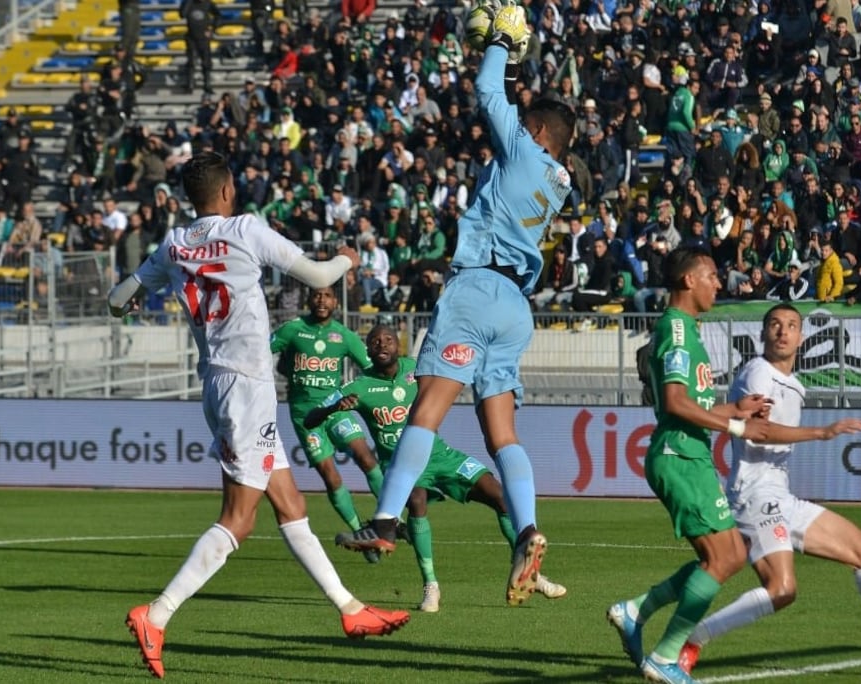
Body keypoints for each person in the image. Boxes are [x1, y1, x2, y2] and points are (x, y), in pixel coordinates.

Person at [107, 152, 407, 679]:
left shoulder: (174, 245)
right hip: (245, 386)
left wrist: (134, 299)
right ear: (226, 192)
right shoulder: (245, 229)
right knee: (237, 520)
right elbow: (317, 273)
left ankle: (351, 611)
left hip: (221, 383)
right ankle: (156, 614)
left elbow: (117, 299)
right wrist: (346, 262)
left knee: (290, 505)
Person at [334, 5, 576, 608]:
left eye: (527, 124)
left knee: (427, 411)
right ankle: (526, 529)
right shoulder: (559, 179)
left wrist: (500, 43)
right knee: (502, 434)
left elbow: (486, 89)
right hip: (515, 306)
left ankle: (385, 522)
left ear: (538, 133)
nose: (518, 127)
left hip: (474, 292)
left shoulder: (523, 152)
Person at [678, 304, 861, 679]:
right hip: (755, 496)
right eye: (774, 325)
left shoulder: (793, 384)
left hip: (779, 495)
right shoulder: (759, 372)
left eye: (791, 325)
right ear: (763, 335)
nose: (782, 331)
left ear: (801, 338)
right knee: (782, 589)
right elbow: (762, 431)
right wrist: (822, 432)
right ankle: (692, 640)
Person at [306, 325, 568, 613]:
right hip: (402, 465)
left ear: (399, 346)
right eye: (375, 341)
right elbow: (310, 418)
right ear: (367, 351)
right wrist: (333, 408)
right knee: (417, 502)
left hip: (441, 455)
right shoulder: (358, 386)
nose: (382, 344)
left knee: (501, 496)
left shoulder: (417, 370)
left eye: (389, 339)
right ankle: (431, 587)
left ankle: (529, 571)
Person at [606, 247, 776, 684]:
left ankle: (636, 611)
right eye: (712, 275)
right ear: (688, 281)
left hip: (690, 455)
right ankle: (665, 656)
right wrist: (737, 431)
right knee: (723, 558)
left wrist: (734, 409)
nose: (720, 283)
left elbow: (692, 402)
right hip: (681, 456)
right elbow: (677, 404)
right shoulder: (677, 332)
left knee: (730, 555)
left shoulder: (687, 331)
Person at [271, 285, 387, 562]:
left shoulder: (344, 336)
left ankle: (388, 520)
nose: (322, 300)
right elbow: (262, 353)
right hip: (304, 417)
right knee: (330, 475)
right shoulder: (292, 330)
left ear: (336, 301)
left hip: (335, 408)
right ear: (308, 298)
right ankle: (360, 530)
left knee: (366, 458)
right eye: (316, 295)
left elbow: (370, 368)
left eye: (327, 296)